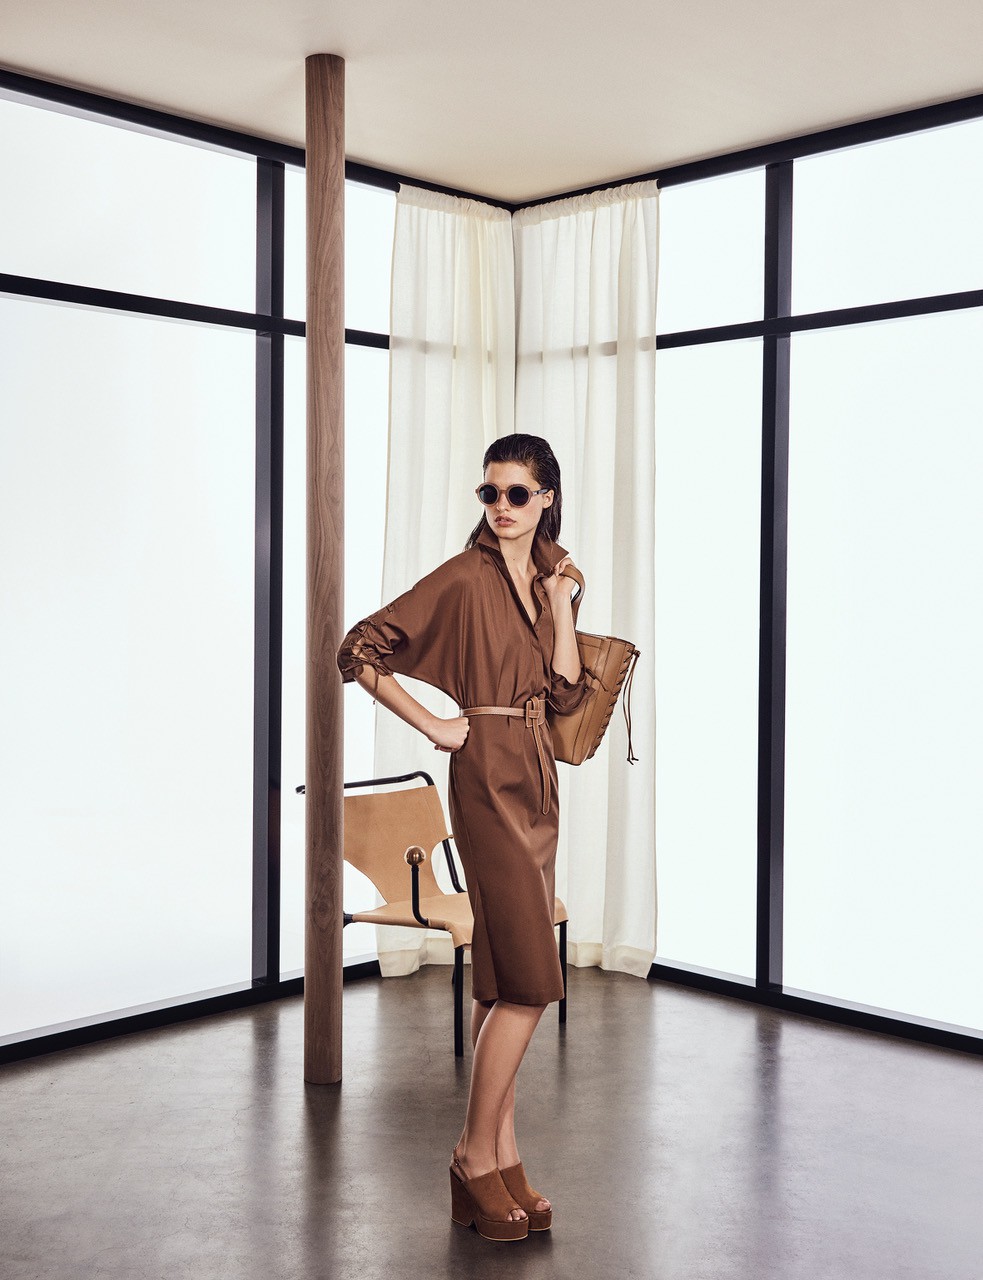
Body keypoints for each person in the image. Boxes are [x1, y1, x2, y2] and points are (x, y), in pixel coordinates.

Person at [336, 433, 596, 1242]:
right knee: (529, 983)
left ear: (546, 497)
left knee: (499, 977)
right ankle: (472, 1157)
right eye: (490, 493)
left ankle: (506, 1157)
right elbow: (357, 649)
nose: (501, 507)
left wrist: (560, 601)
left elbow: (565, 691)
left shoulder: (551, 577)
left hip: (537, 777)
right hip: (486, 774)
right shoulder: (462, 576)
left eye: (517, 493)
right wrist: (434, 724)